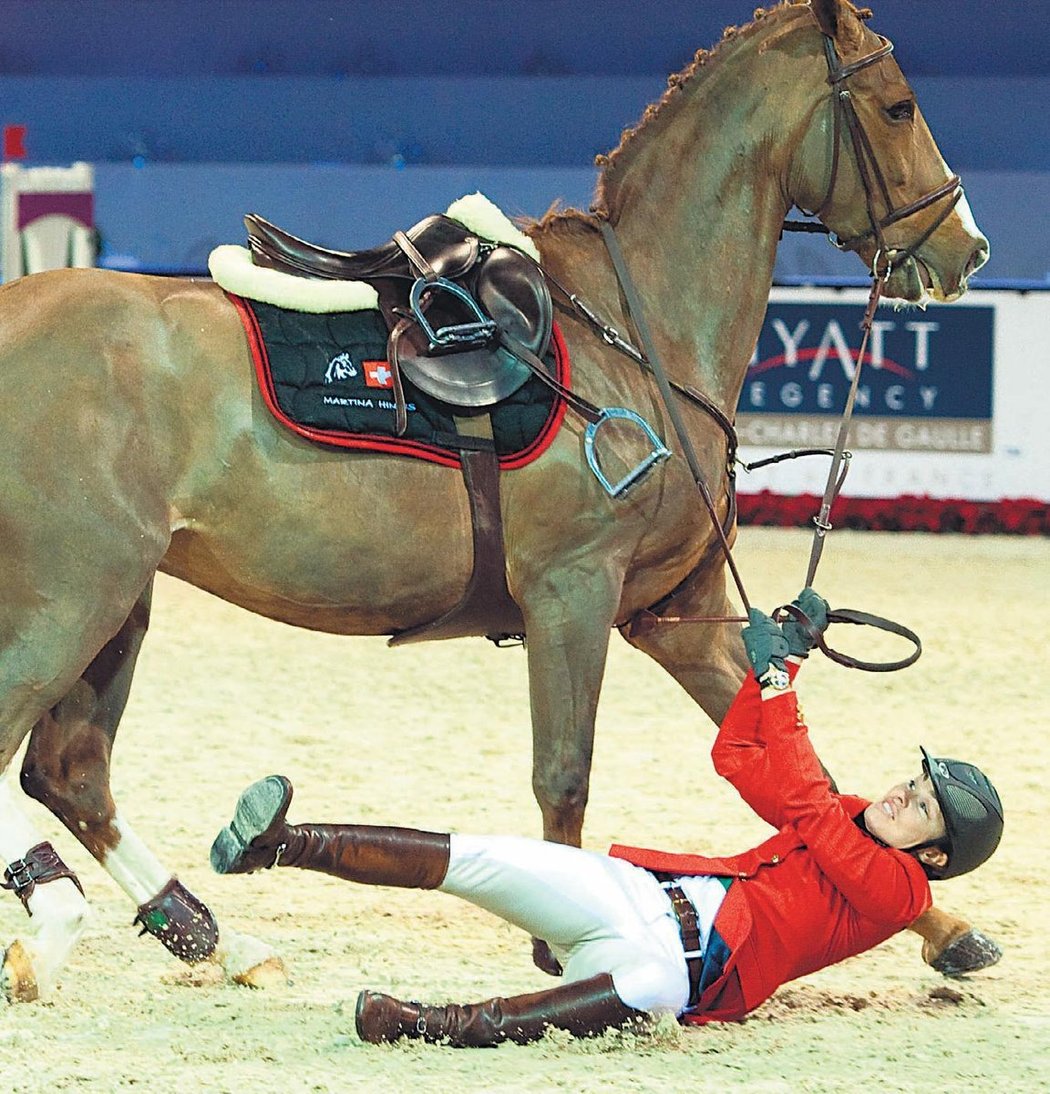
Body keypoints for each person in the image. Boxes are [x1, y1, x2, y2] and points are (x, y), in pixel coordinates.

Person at [209, 589, 1003, 1047]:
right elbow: (743, 765)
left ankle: (423, 1024)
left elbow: (803, 800)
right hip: (643, 896)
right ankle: (281, 845)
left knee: (648, 986)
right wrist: (767, 685)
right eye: (913, 781)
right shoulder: (856, 815)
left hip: (686, 971)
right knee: (484, 857)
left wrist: (780, 674)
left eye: (921, 806)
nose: (902, 795)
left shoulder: (899, 893)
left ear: (931, 858)